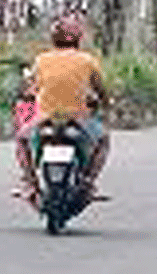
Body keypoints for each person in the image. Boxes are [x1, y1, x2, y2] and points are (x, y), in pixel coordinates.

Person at [16, 14, 111, 203]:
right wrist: (106, 104)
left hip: (46, 117)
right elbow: (100, 90)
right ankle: (88, 182)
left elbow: (30, 88)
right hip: (78, 118)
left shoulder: (41, 60)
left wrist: (30, 94)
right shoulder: (87, 60)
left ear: (53, 38)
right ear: (78, 38)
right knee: (103, 141)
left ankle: (31, 183)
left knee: (21, 140)